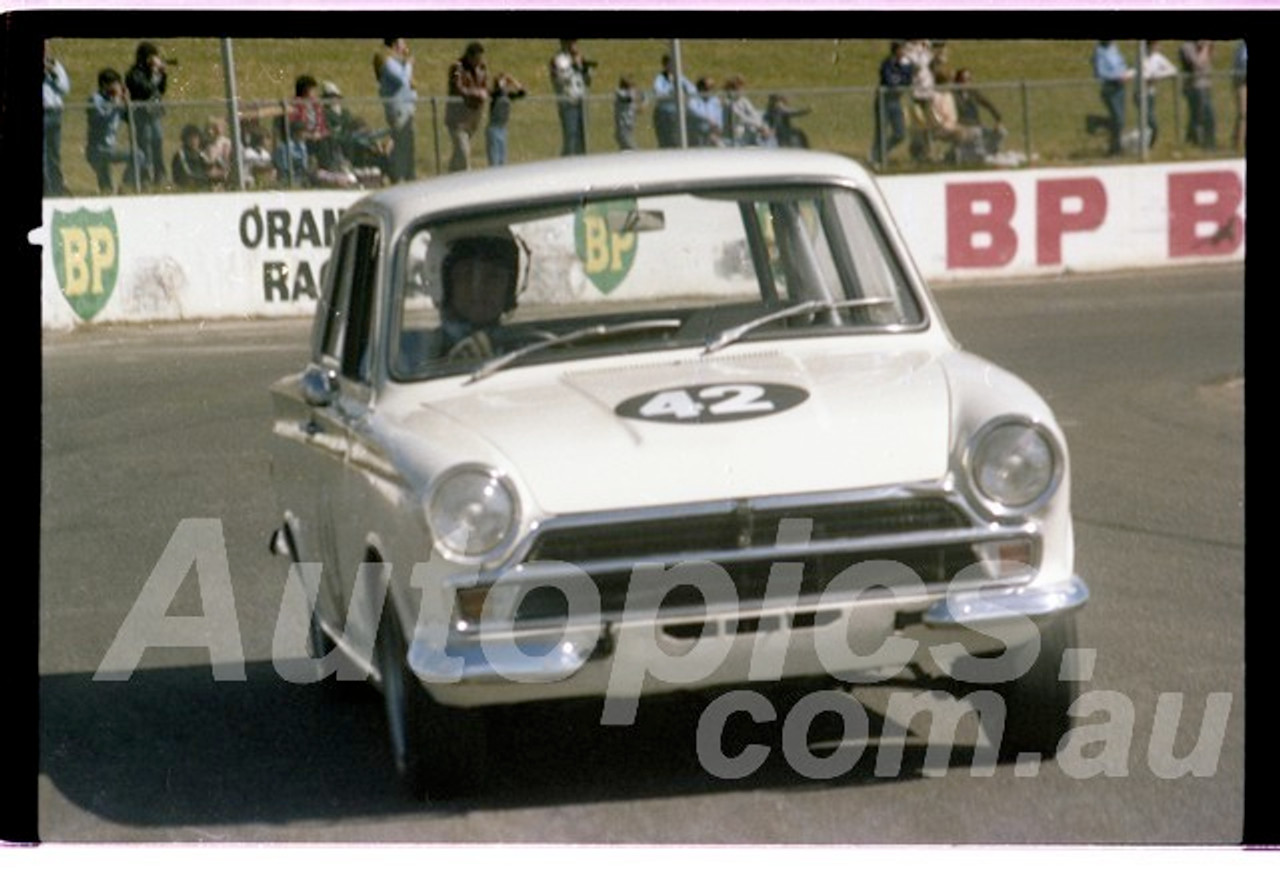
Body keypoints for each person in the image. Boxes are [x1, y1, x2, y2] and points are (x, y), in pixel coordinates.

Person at [436, 233, 522, 361]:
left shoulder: (524, 346)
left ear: (509, 287)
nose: (479, 288)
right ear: (450, 284)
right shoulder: (422, 351)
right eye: (467, 275)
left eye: (493, 276)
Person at [85, 68, 143, 194]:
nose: (118, 87)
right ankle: (119, 189)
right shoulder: (95, 99)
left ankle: (125, 185)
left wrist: (127, 103)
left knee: (138, 156)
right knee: (138, 156)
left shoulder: (115, 100)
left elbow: (130, 119)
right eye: (115, 83)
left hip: (110, 148)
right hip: (97, 149)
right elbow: (100, 120)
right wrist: (116, 103)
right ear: (105, 85)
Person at [125, 41, 169, 187]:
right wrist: (155, 73)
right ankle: (144, 177)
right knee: (145, 145)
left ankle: (160, 175)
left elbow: (160, 90)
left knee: (158, 141)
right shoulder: (134, 73)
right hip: (142, 116)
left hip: (154, 114)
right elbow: (146, 89)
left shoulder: (152, 73)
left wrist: (162, 74)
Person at [444, 42, 490, 172]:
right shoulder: (457, 68)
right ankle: (467, 180)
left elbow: (485, 87)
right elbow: (457, 88)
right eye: (476, 59)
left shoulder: (482, 68)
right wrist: (476, 93)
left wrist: (484, 92)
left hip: (472, 119)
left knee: (458, 154)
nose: (478, 62)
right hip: (457, 120)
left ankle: (449, 178)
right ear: (469, 56)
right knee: (464, 152)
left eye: (480, 59)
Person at [379, 38, 417, 182]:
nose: (406, 45)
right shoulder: (389, 63)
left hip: (407, 110)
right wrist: (408, 64)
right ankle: (398, 177)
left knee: (407, 145)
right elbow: (402, 79)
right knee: (401, 145)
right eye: (403, 43)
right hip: (398, 110)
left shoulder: (399, 63)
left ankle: (408, 175)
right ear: (395, 44)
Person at [871, 40, 913, 166]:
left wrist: (901, 77)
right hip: (883, 101)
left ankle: (881, 153)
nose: (903, 52)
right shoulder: (887, 63)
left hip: (895, 101)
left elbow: (907, 81)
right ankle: (875, 158)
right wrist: (900, 80)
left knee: (900, 133)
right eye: (901, 49)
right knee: (881, 131)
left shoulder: (906, 65)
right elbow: (889, 81)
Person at [549, 39, 592, 156]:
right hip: (568, 102)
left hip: (581, 102)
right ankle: (567, 163)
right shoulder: (558, 60)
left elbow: (587, 80)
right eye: (571, 42)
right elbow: (559, 79)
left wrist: (584, 67)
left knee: (583, 137)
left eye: (575, 42)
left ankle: (581, 164)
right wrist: (573, 65)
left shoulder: (580, 58)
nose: (574, 45)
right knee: (571, 136)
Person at [952, 67, 1006, 158]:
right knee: (976, 132)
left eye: (969, 79)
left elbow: (987, 103)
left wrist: (998, 119)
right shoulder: (953, 95)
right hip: (963, 125)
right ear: (958, 81)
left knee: (1001, 132)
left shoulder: (973, 92)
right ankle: (981, 156)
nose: (966, 82)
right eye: (963, 80)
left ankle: (991, 152)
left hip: (977, 124)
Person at [1092, 40, 1133, 156]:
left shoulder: (1114, 48)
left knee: (1120, 120)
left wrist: (1126, 72)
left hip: (1120, 87)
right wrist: (1117, 76)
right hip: (1110, 88)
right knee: (1118, 119)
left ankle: (1116, 148)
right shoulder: (1099, 51)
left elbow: (1121, 63)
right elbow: (1101, 72)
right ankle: (1114, 148)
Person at [1134, 41, 1178, 148]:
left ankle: (1148, 146)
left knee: (1150, 122)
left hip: (1150, 94)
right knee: (1149, 122)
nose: (1157, 46)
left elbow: (1173, 70)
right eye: (1154, 44)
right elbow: (1144, 76)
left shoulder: (1157, 57)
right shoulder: (1140, 57)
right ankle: (1144, 146)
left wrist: (1158, 75)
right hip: (1140, 94)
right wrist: (1151, 77)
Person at [43, 41, 70, 196]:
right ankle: (45, 188)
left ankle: (57, 187)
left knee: (54, 154)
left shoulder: (55, 65)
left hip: (55, 114)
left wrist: (53, 73)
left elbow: (65, 88)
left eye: (46, 47)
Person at [652, 54, 695, 148]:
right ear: (665, 65)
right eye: (670, 64)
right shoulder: (660, 78)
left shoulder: (681, 78)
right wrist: (672, 88)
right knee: (666, 141)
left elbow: (692, 90)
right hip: (664, 114)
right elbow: (659, 92)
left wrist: (686, 96)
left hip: (678, 114)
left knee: (677, 140)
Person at [1180, 40, 1217, 149]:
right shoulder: (1186, 47)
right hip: (1194, 87)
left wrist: (1209, 48)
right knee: (1201, 116)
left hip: (1205, 85)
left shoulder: (1201, 47)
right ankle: (1202, 143)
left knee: (1202, 116)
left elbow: (1209, 61)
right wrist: (1205, 48)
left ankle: (1194, 142)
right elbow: (1198, 64)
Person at [722, 75, 775, 147]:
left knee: (769, 137)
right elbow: (741, 118)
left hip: (749, 132)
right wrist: (760, 127)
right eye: (738, 89)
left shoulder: (744, 100)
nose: (741, 91)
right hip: (735, 136)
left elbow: (754, 114)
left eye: (741, 88)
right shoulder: (727, 103)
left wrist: (764, 127)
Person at [486, 72, 526, 167]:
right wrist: (501, 82)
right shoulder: (495, 95)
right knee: (494, 161)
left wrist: (513, 81)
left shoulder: (507, 95)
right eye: (503, 82)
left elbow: (523, 93)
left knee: (502, 161)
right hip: (494, 129)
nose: (505, 85)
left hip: (503, 129)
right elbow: (498, 92)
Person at [171, 122, 224, 189]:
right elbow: (187, 174)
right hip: (188, 185)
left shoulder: (200, 153)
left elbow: (208, 165)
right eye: (191, 138)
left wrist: (218, 170)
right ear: (185, 140)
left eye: (196, 138)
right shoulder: (181, 154)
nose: (194, 141)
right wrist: (208, 176)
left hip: (202, 182)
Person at [687, 77, 725, 147]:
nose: (710, 90)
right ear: (700, 88)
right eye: (707, 88)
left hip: (713, 133)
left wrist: (718, 127)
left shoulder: (715, 100)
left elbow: (719, 115)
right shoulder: (693, 99)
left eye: (712, 88)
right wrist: (708, 120)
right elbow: (692, 111)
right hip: (697, 133)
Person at [613, 75, 644, 150]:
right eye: (631, 85)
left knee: (628, 152)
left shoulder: (630, 96)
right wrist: (638, 94)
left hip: (629, 129)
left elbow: (634, 109)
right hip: (622, 130)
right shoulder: (620, 93)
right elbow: (628, 98)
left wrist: (643, 102)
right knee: (635, 150)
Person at [1231, 39, 1246, 153]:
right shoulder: (1242, 47)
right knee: (1243, 113)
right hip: (1242, 81)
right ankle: (1238, 144)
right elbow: (1241, 63)